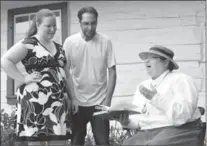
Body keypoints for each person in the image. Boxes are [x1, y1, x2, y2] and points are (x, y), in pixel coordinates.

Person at [1, 9, 76, 146]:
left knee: (60, 142)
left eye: (55, 26)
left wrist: (73, 98)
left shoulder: (60, 49)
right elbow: (5, 61)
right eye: (48, 26)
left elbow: (68, 76)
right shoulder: (29, 44)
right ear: (37, 24)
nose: (52, 29)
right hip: (35, 103)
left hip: (57, 105)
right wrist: (23, 78)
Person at [116, 45, 203, 145]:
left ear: (166, 62)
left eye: (152, 58)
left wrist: (156, 98)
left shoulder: (181, 79)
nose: (146, 61)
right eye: (145, 59)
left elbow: (182, 116)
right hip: (148, 131)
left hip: (179, 129)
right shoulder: (143, 85)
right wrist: (127, 122)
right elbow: (140, 120)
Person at [63, 6, 117, 145]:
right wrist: (71, 98)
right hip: (77, 102)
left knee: (103, 141)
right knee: (76, 142)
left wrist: (107, 101)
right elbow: (64, 72)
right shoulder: (70, 42)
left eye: (93, 23)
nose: (90, 27)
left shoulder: (106, 41)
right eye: (86, 23)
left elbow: (112, 71)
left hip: (99, 103)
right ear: (80, 23)